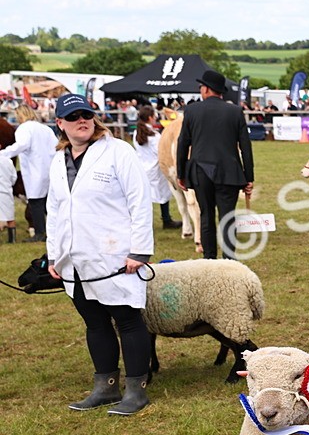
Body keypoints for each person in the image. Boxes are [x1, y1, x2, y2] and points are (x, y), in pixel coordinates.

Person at [45, 94, 154, 416]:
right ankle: (105, 387)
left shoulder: (118, 151)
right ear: (60, 123)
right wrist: (53, 255)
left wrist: (140, 250)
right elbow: (54, 210)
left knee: (127, 319)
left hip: (114, 254)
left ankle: (137, 390)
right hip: (74, 256)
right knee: (94, 320)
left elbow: (139, 199)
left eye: (86, 114)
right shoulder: (58, 160)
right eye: (73, 116)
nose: (82, 120)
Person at [175, 70, 254, 259]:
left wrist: (181, 173)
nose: (200, 89)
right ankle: (229, 261)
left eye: (201, 86)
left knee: (206, 216)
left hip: (200, 171)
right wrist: (249, 177)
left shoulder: (192, 110)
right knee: (228, 218)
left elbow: (183, 143)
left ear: (208, 89)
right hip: (229, 172)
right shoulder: (235, 111)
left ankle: (209, 260)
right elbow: (245, 146)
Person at [0, 103, 57, 242]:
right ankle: (53, 231)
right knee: (48, 203)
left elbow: (21, 145)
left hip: (35, 170)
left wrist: (3, 153)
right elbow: (56, 145)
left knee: (36, 202)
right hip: (49, 168)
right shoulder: (45, 128)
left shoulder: (24, 128)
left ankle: (39, 233)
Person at [134, 106, 181, 231]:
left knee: (146, 196)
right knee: (163, 195)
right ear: (150, 118)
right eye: (154, 116)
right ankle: (166, 219)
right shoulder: (154, 135)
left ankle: (145, 222)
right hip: (156, 168)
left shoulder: (136, 133)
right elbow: (161, 151)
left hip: (143, 167)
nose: (156, 118)